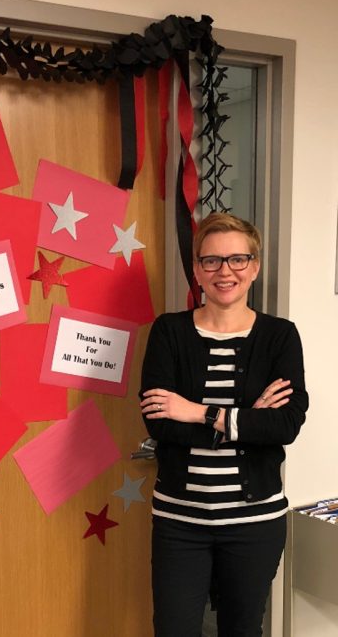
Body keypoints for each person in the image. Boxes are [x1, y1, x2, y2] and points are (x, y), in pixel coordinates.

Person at [140, 212, 308, 636]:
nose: (224, 271)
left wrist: (200, 411)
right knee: (174, 629)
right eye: (211, 261)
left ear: (254, 267)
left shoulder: (279, 337)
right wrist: (247, 418)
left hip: (254, 523)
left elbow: (285, 425)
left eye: (237, 259)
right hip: (180, 522)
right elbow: (160, 422)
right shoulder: (169, 332)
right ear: (197, 270)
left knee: (242, 630)